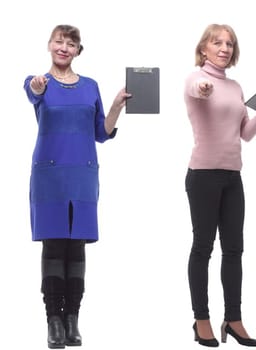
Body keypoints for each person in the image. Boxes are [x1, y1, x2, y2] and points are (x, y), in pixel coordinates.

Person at [24, 24, 128, 349]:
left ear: (78, 50)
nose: (64, 48)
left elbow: (101, 132)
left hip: (83, 172)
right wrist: (39, 86)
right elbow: (33, 92)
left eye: (71, 43)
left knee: (77, 247)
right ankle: (53, 319)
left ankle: (73, 320)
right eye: (59, 41)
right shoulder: (37, 82)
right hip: (50, 173)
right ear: (50, 45)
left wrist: (115, 107)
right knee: (54, 245)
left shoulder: (91, 86)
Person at [184, 23, 256, 348]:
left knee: (235, 250)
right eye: (218, 43)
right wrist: (203, 89)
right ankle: (201, 320)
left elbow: (246, 133)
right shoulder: (195, 78)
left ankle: (234, 319)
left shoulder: (237, 86)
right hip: (203, 176)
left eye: (229, 43)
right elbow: (196, 88)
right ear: (204, 49)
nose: (225, 48)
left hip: (232, 177)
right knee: (203, 247)